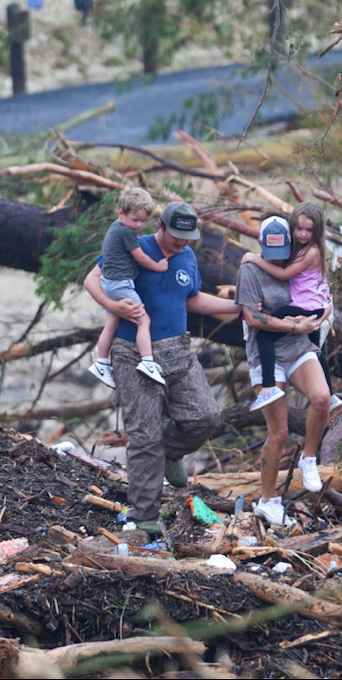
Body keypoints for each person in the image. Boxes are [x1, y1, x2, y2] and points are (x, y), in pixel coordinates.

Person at [82, 201, 240, 533]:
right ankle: (144, 517)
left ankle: (169, 452)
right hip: (132, 352)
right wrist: (114, 306)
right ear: (161, 225)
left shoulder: (187, 256)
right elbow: (91, 281)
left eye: (188, 237)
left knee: (206, 415)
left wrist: (236, 305)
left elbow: (192, 298)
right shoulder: (133, 244)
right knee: (144, 436)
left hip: (178, 350)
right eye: (177, 236)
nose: (182, 242)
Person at [235, 215, 332, 527]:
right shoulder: (250, 270)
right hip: (266, 355)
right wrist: (293, 324)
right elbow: (251, 317)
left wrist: (323, 312)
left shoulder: (299, 258)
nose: (277, 258)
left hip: (298, 347)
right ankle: (267, 500)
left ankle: (309, 458)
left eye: (282, 251)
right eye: (270, 252)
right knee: (278, 431)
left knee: (322, 398)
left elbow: (319, 291)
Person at [240, 204, 339, 412]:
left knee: (264, 336)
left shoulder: (310, 252)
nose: (303, 234)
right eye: (299, 229)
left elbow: (285, 275)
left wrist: (254, 258)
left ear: (317, 231)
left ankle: (269, 386)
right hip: (314, 307)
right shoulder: (305, 250)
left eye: (309, 230)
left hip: (306, 307)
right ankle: (330, 396)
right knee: (315, 349)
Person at [88, 188, 169, 387]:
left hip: (108, 283)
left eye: (142, 221)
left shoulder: (115, 228)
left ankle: (101, 363)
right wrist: (158, 266)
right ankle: (147, 361)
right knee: (144, 320)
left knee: (111, 324)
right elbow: (140, 257)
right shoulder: (126, 233)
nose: (139, 225)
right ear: (121, 213)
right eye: (135, 220)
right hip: (120, 284)